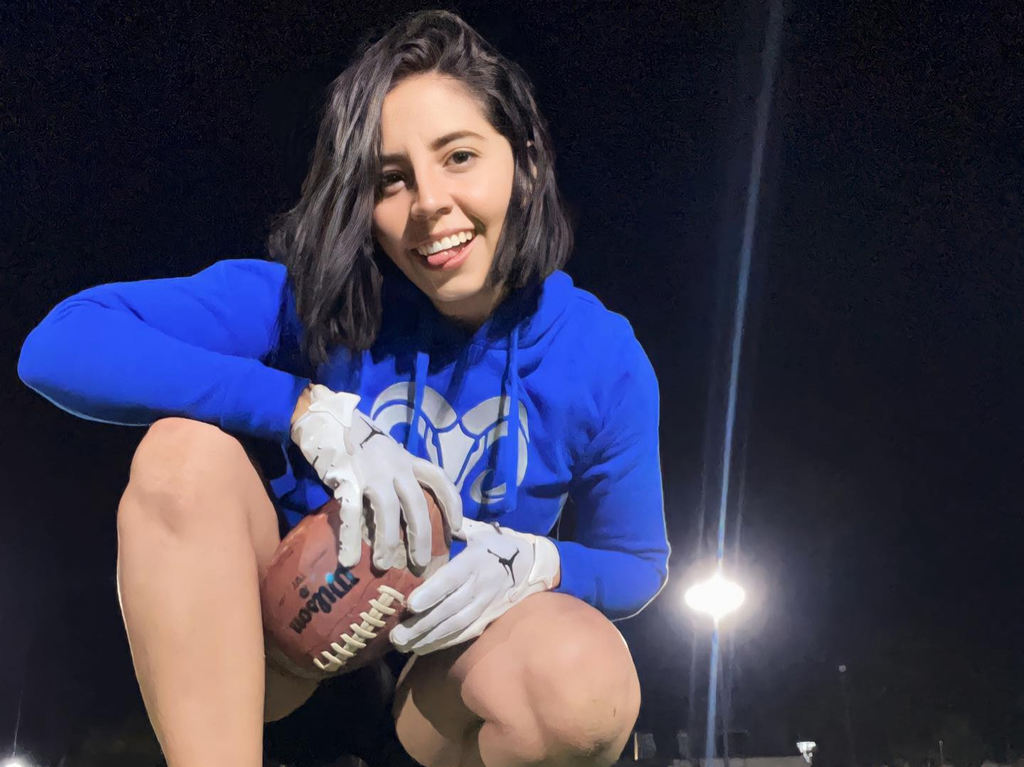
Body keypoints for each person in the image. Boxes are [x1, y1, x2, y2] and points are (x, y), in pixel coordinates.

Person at [18, 10, 670, 767]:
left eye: (459, 156)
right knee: (180, 457)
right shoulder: (316, 299)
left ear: (524, 160)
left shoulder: (599, 355)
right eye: (391, 179)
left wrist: (538, 561)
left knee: (580, 681)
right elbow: (59, 344)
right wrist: (298, 407)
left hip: (451, 672)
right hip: (289, 650)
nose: (428, 204)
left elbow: (637, 562)